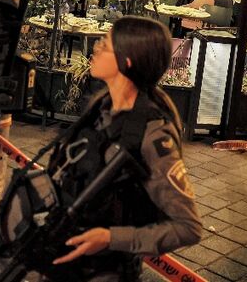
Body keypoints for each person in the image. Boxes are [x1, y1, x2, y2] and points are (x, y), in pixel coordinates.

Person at [46, 16, 202, 280]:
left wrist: (111, 238)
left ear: (126, 61)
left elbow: (188, 228)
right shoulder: (102, 106)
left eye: (105, 45)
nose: (95, 48)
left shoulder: (152, 134)